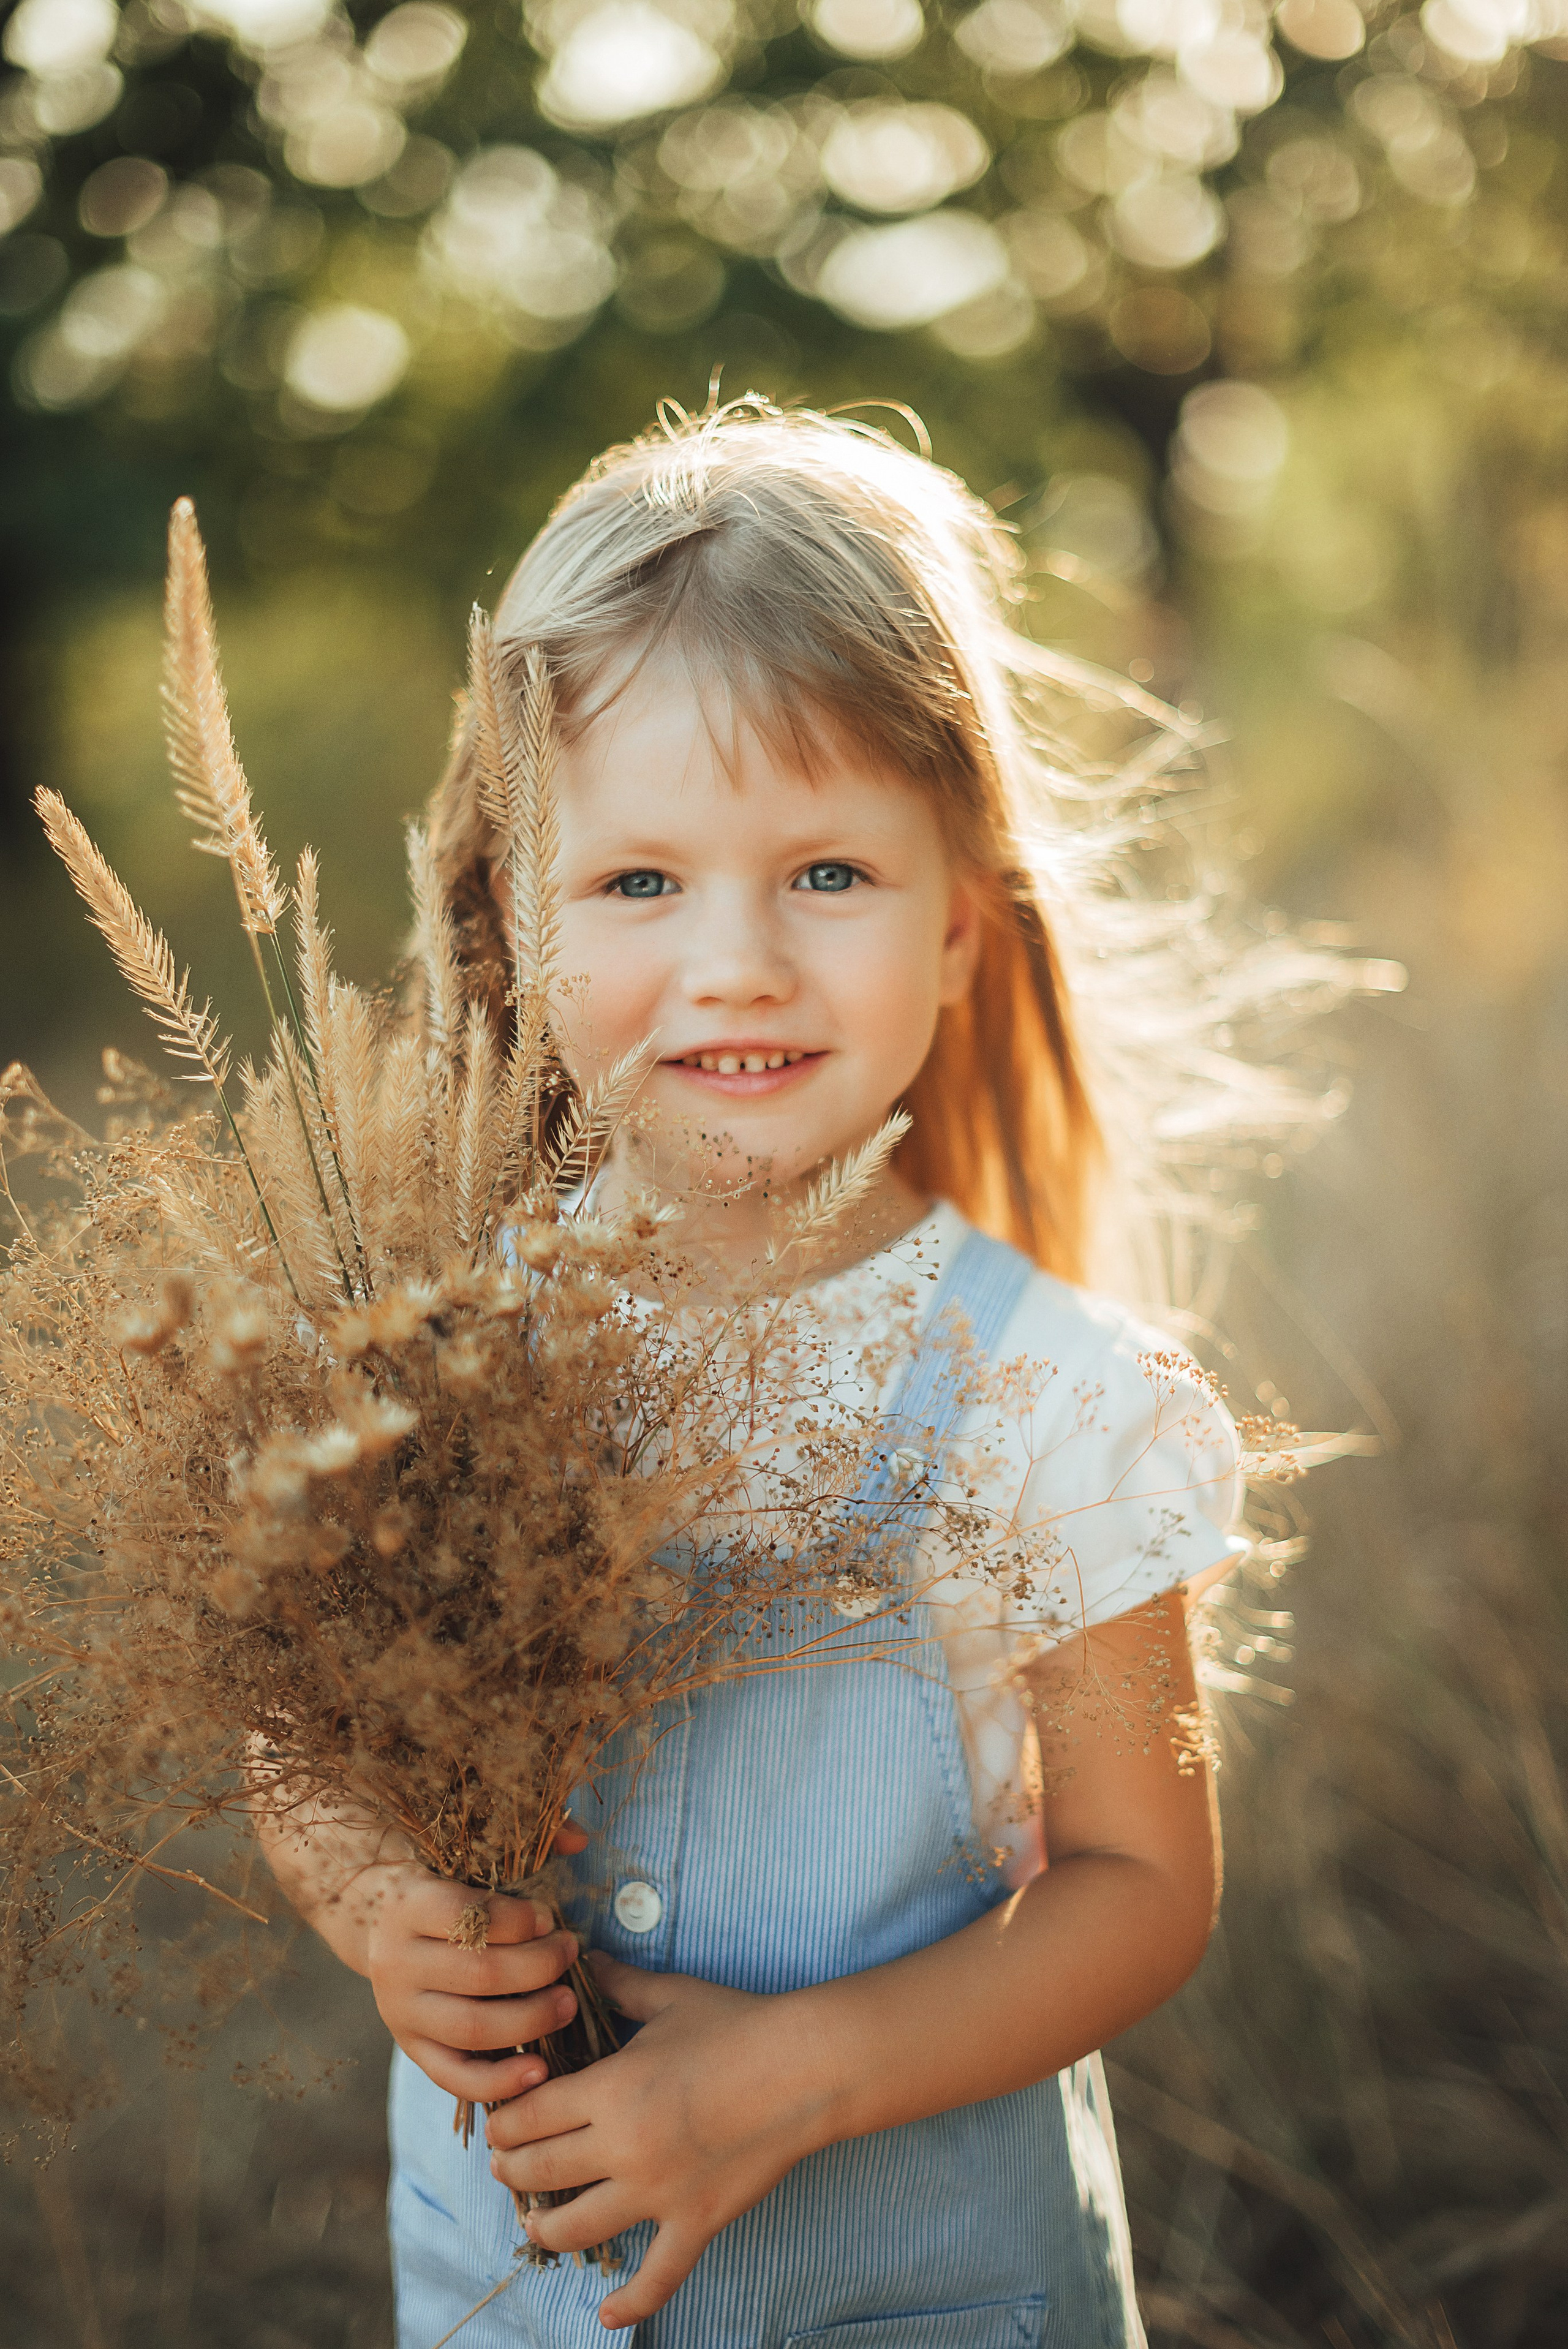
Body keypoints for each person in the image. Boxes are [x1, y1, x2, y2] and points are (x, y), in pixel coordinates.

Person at [260, 397, 1261, 2349]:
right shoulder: (423, 1354)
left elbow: (1143, 1880)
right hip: (509, 2299)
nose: (737, 962)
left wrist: (786, 2078)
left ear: (961, 922)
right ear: (516, 918)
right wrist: (381, 1906)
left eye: (827, 873)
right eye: (641, 883)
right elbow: (298, 1731)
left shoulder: (1052, 1397)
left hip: (932, 2295)